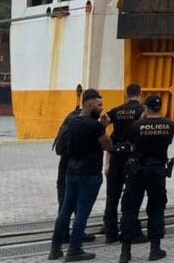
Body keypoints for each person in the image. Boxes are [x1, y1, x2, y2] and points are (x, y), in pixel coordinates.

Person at [49, 89, 112, 261]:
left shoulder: (73, 120)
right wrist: (104, 128)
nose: (101, 108)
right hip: (89, 174)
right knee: (82, 212)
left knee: (65, 211)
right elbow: (107, 145)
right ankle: (74, 250)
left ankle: (55, 249)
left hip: (70, 171)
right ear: (90, 105)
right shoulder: (95, 125)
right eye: (99, 105)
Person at [119, 95, 174, 263]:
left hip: (137, 170)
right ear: (160, 107)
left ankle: (125, 252)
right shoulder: (169, 125)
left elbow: (132, 145)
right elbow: (168, 143)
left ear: (146, 107)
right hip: (157, 170)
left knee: (130, 208)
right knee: (156, 208)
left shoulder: (137, 125)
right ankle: (155, 249)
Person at [103, 83, 145, 244]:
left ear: (126, 94)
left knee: (112, 197)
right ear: (140, 93)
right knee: (131, 196)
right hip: (132, 158)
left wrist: (106, 162)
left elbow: (103, 125)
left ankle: (110, 232)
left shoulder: (116, 110)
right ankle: (130, 230)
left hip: (115, 157)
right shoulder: (142, 111)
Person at [54, 104, 97, 245]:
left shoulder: (70, 119)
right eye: (99, 105)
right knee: (80, 204)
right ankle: (75, 239)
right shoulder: (85, 123)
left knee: (65, 203)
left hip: (65, 166)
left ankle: (61, 238)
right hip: (78, 167)